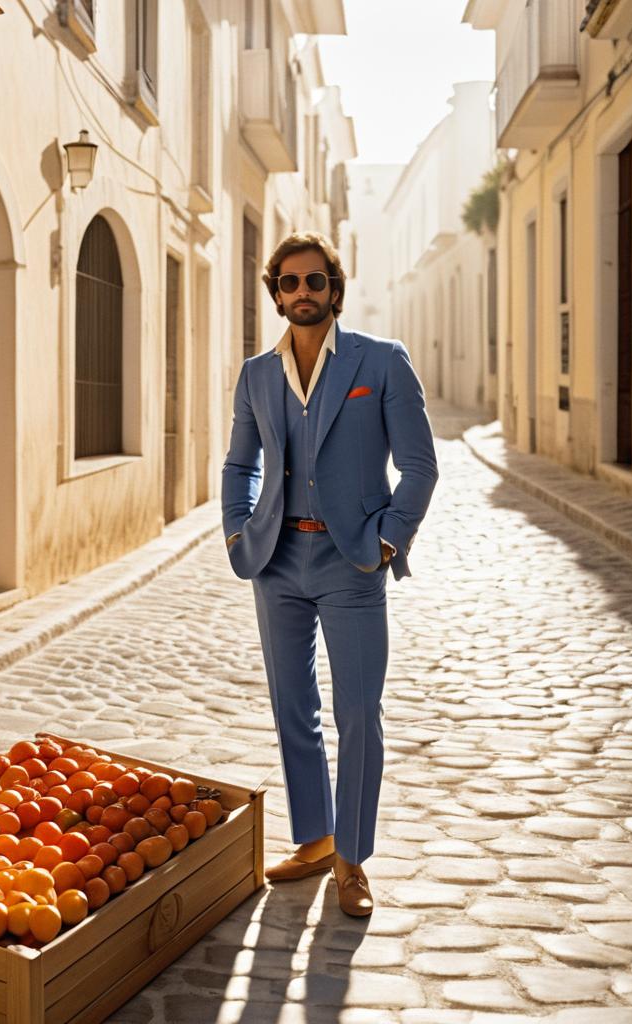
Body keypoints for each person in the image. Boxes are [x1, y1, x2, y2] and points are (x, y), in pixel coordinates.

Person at [222, 232, 438, 916]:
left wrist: (387, 541)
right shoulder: (257, 373)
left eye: (315, 281)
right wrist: (237, 526)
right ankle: (314, 839)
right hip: (277, 561)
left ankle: (353, 859)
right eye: (288, 283)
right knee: (293, 709)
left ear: (334, 290)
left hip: (351, 562)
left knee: (357, 713)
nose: (302, 292)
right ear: (276, 293)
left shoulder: (382, 361)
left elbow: (420, 467)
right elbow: (239, 464)